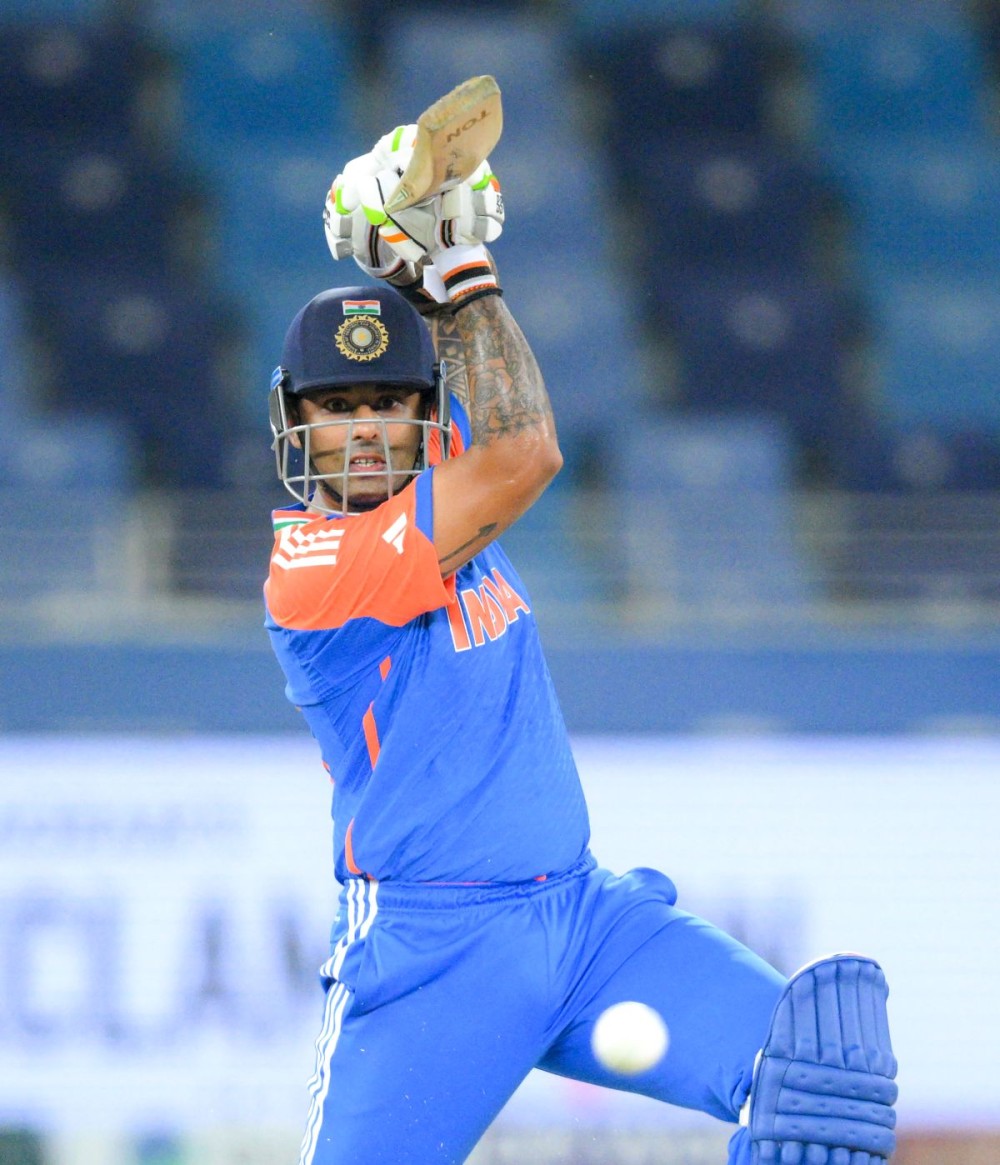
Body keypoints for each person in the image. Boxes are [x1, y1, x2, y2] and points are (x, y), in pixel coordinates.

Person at [263, 125, 898, 1165]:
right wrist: (458, 261)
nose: (368, 428)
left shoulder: (440, 494)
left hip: (585, 916)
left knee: (821, 1069)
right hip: (437, 951)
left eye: (389, 402)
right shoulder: (316, 569)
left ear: (428, 420)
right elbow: (526, 449)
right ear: (295, 426)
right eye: (339, 409)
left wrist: (408, 260)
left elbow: (487, 405)